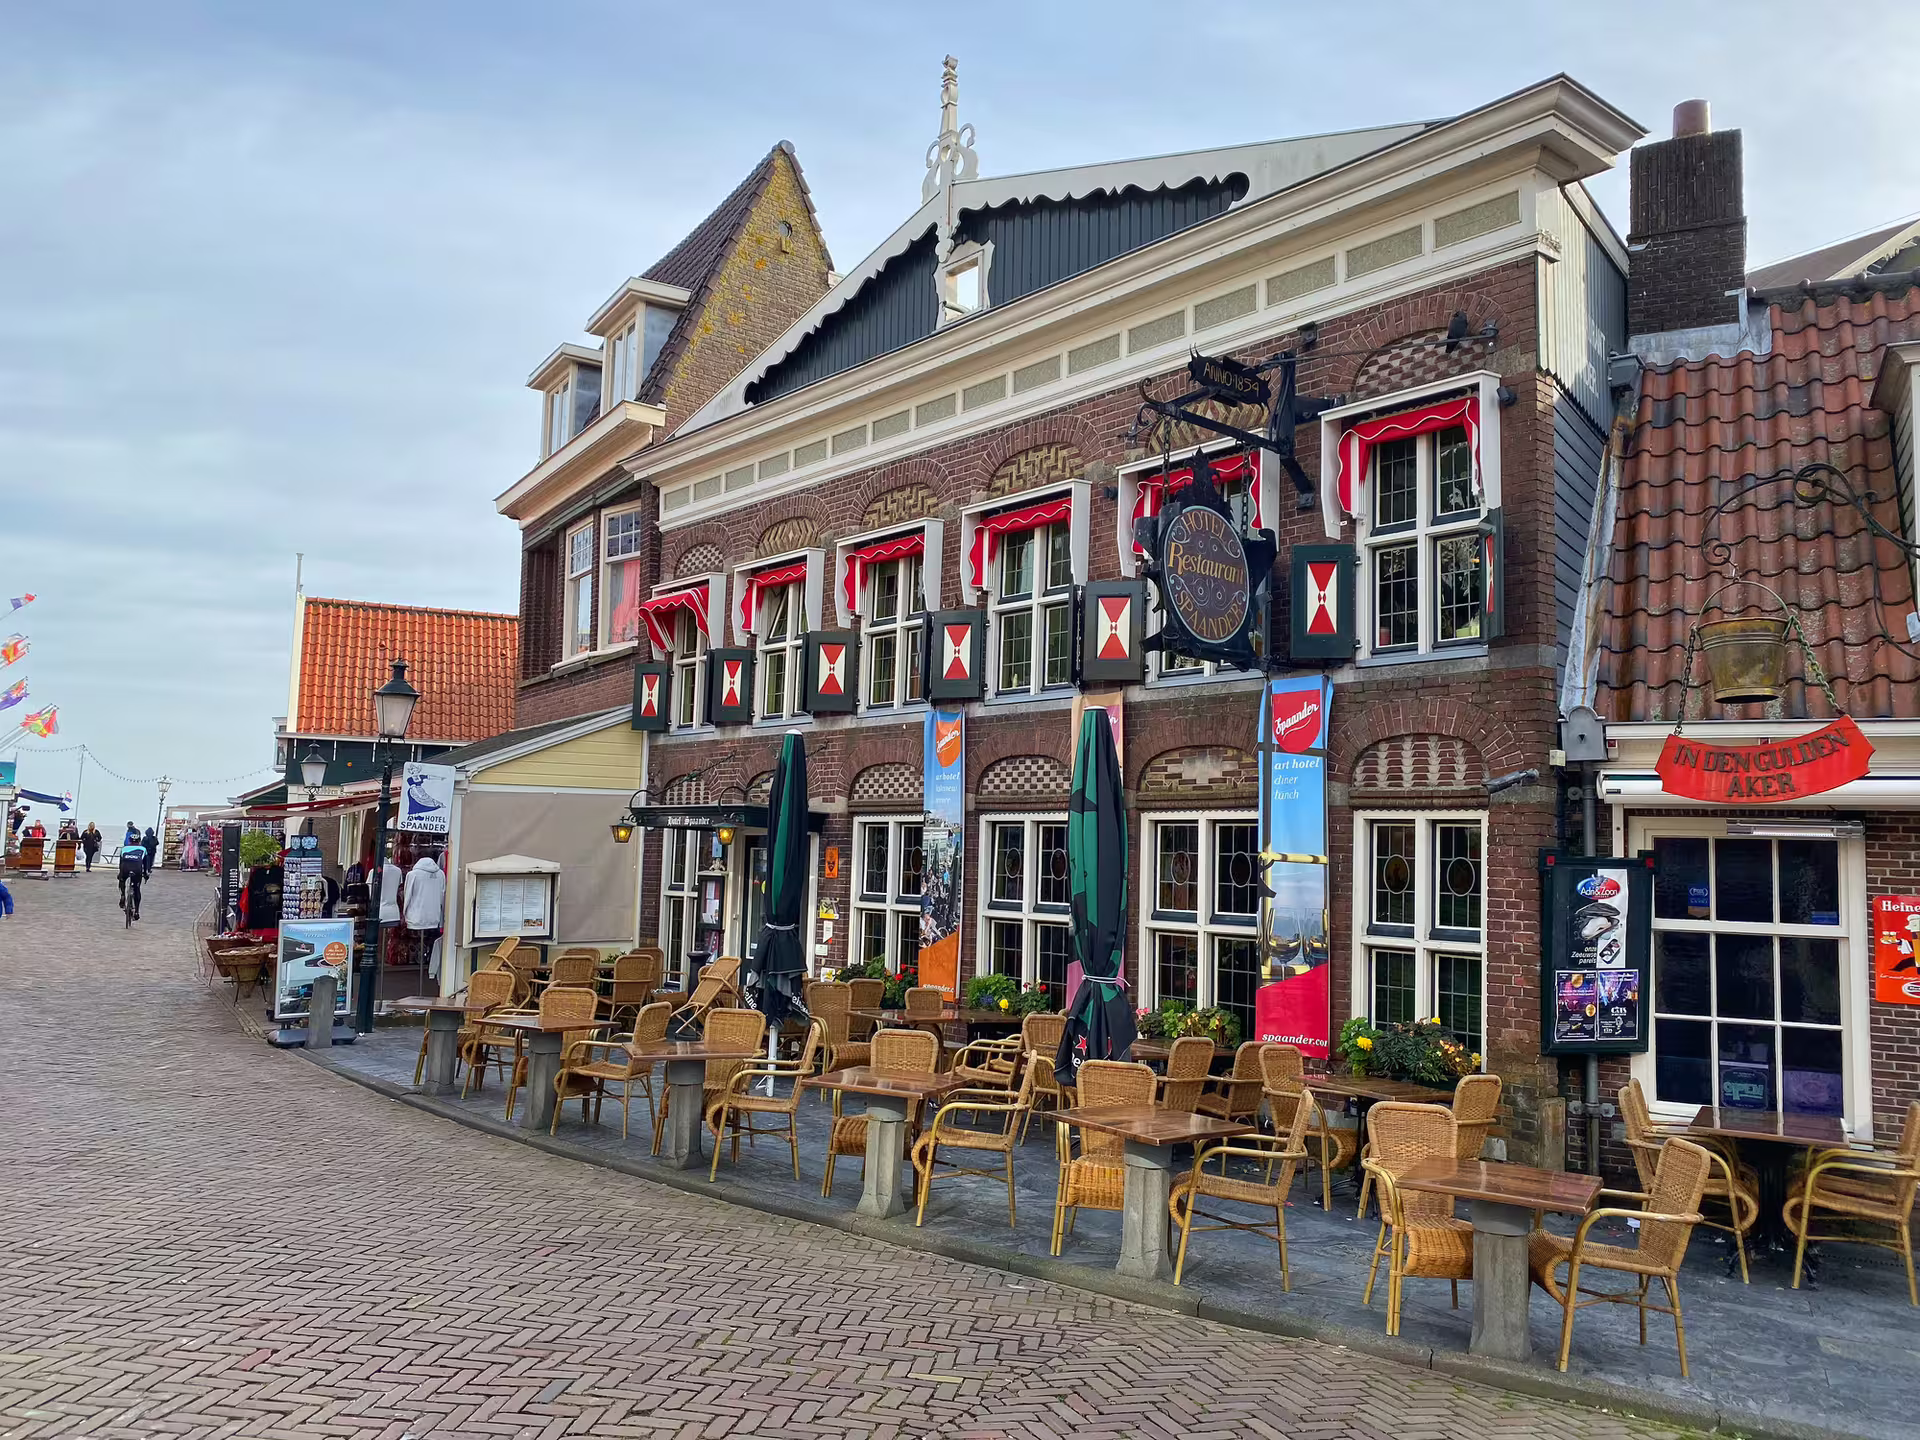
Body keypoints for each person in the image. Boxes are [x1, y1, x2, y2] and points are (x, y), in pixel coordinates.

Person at [117, 832, 147, 917]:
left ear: (129, 841)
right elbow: (146, 864)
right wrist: (146, 874)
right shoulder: (143, 849)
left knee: (122, 880)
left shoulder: (124, 848)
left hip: (125, 868)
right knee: (137, 888)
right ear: (139, 841)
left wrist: (120, 874)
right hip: (137, 869)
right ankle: (136, 911)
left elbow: (120, 863)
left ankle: (122, 895)